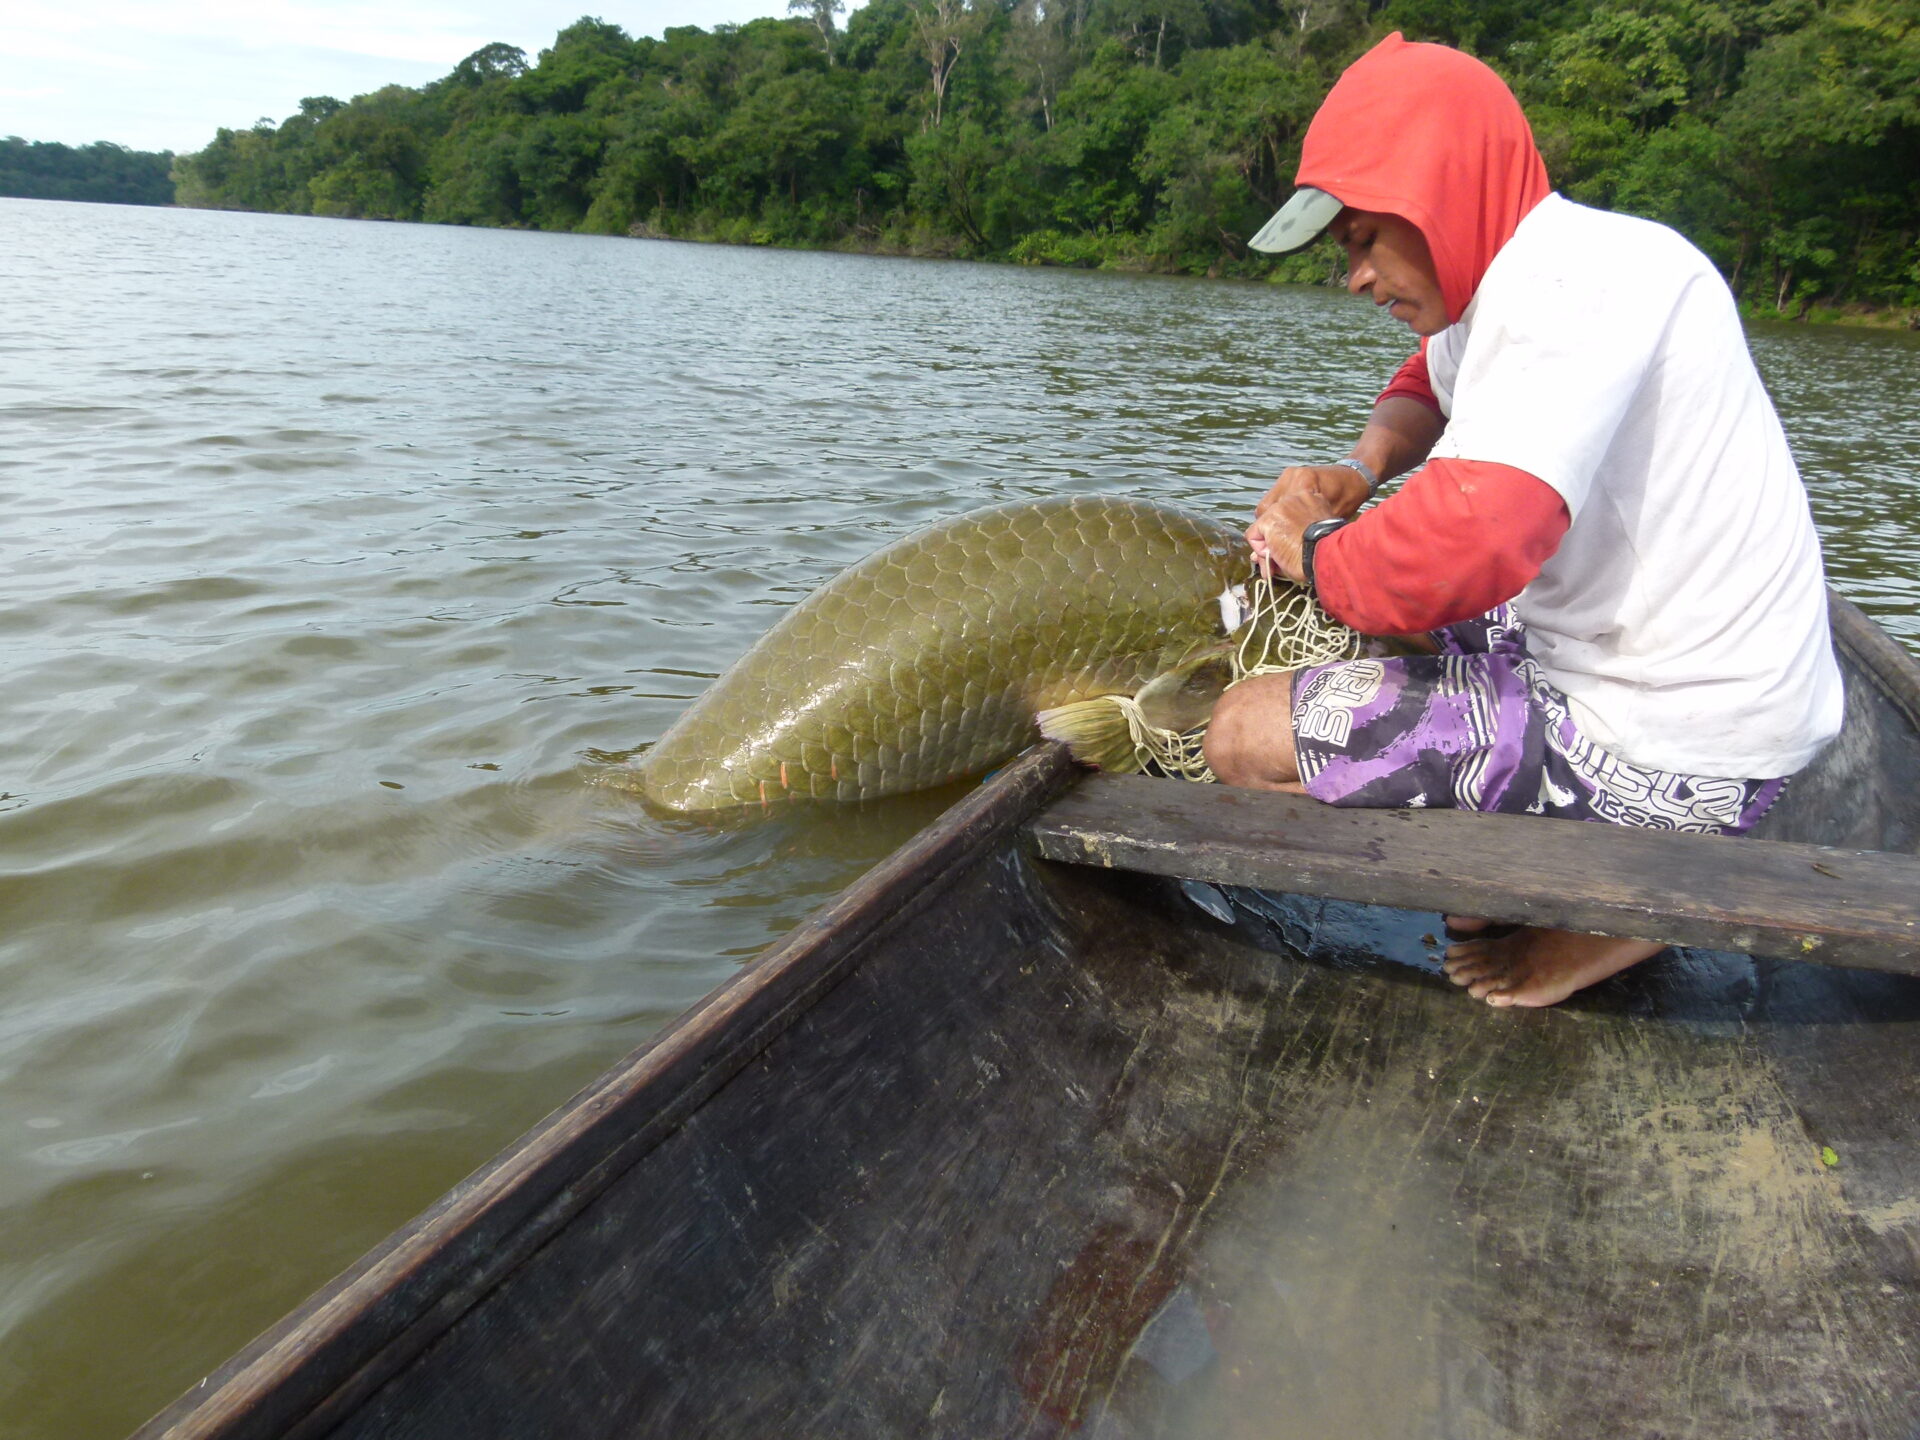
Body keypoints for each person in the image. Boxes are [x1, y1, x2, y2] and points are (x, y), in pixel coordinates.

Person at [1204, 33, 1843, 1008]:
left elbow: (1477, 541)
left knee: (1238, 734)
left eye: (1365, 239)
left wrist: (1314, 549)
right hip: (1660, 665)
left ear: (1436, 187)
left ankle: (1613, 911)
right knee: (1367, 608)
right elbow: (1431, 376)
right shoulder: (1519, 272)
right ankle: (1491, 809)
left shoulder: (1568, 293)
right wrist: (1358, 471)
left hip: (1675, 744)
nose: (1357, 277)